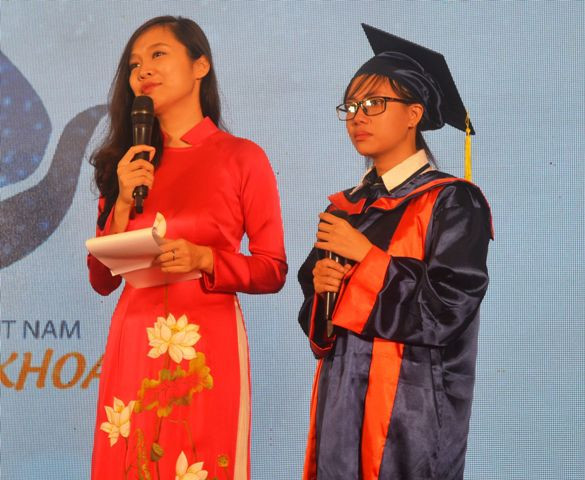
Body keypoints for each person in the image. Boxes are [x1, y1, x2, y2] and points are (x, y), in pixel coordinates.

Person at [87, 16, 287, 480]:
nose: (142, 70)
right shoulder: (124, 163)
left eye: (158, 54)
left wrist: (206, 259)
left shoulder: (242, 157)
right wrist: (121, 203)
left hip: (205, 342)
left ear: (200, 66)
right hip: (133, 339)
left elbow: (272, 268)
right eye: (134, 64)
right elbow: (100, 280)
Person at [298, 24, 493, 480]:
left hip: (411, 416)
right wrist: (322, 293)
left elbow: (448, 309)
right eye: (351, 107)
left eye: (374, 104)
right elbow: (321, 330)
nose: (357, 117)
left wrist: (367, 260)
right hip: (340, 406)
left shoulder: (451, 201)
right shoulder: (345, 208)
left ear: (414, 114)